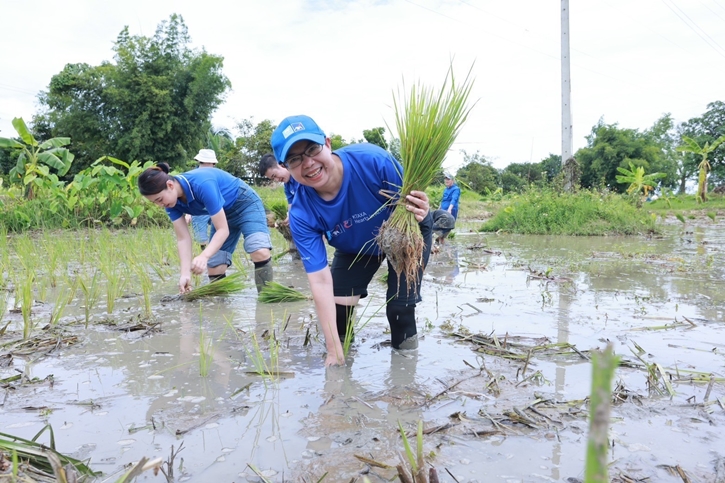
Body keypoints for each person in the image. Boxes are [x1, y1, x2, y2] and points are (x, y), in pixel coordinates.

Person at [270, 114, 432, 367]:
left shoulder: (373, 161)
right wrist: (333, 352)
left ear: (328, 143)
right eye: (295, 159)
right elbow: (320, 281)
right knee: (338, 308)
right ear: (286, 168)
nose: (309, 163)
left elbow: (415, 202)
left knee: (399, 308)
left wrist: (422, 209)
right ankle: (345, 353)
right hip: (355, 246)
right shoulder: (301, 213)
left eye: (312, 149)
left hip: (403, 234)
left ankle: (404, 375)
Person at [137, 162, 274, 293]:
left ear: (170, 185)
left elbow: (222, 230)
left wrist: (204, 256)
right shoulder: (171, 204)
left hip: (244, 203)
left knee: (258, 250)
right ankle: (222, 310)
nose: (160, 205)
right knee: (215, 267)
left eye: (160, 200)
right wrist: (185, 274)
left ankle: (267, 301)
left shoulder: (202, 184)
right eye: (155, 202)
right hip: (221, 213)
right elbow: (183, 238)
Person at [186, 149, 218, 248]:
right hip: (200, 210)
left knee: (219, 234)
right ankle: (205, 256)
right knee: (201, 238)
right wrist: (188, 213)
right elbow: (188, 194)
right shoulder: (192, 176)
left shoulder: (218, 175)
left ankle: (212, 255)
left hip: (216, 209)